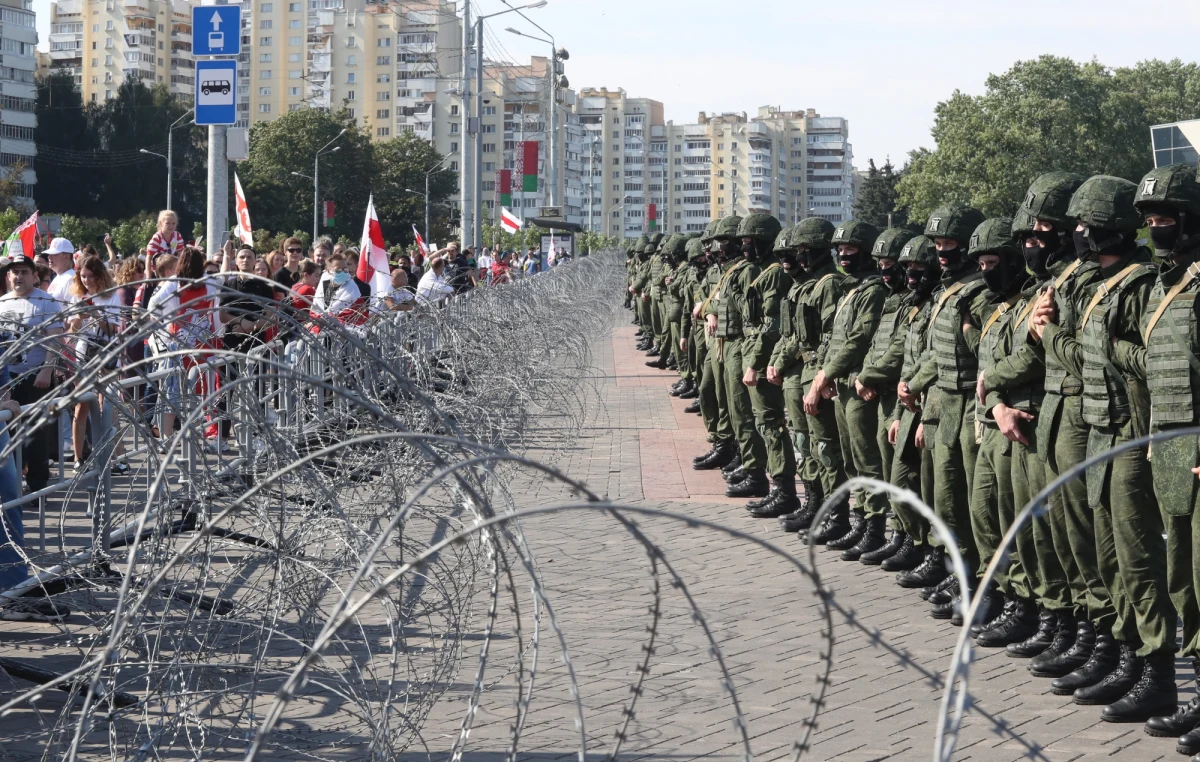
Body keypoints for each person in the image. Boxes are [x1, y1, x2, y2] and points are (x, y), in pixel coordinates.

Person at [1128, 164, 1200, 747]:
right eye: (1150, 219)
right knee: (1183, 578)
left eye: (1166, 218)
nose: (1156, 228)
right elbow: (1153, 365)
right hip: (1169, 446)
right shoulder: (1161, 285)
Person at [899, 204, 991, 624]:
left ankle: (974, 578)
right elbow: (936, 352)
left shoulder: (978, 291)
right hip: (941, 403)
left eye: (949, 243)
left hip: (968, 404)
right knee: (946, 497)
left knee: (971, 500)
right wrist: (915, 384)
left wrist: (917, 382)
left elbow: (965, 352)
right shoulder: (947, 291)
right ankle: (957, 570)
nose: (941, 251)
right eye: (937, 243)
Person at [0, 253, 65, 495]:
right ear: (8, 276)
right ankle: (12, 486)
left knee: (35, 434)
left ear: (34, 275)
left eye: (24, 272)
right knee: (9, 434)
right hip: (7, 378)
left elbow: (54, 340)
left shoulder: (45, 301)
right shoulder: (3, 302)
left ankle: (38, 487)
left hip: (35, 376)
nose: (19, 276)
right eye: (14, 272)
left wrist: (47, 370)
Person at [65, 254, 125, 473]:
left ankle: (113, 456)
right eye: (83, 276)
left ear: (100, 276)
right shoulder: (78, 297)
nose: (87, 281)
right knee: (81, 405)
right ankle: (78, 458)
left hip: (106, 353)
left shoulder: (111, 297)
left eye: (90, 276)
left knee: (106, 406)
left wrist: (96, 314)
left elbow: (112, 329)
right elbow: (71, 331)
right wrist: (78, 320)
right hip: (84, 355)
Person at [311, 250, 362, 323]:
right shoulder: (325, 283)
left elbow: (354, 315)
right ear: (329, 271)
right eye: (338, 270)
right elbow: (315, 310)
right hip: (319, 329)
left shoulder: (352, 288)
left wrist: (327, 319)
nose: (343, 272)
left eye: (344, 269)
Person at [43, 237, 77, 304]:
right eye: (49, 254)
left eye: (54, 254)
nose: (49, 257)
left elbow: (74, 309)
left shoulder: (71, 278)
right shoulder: (60, 277)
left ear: (66, 256)